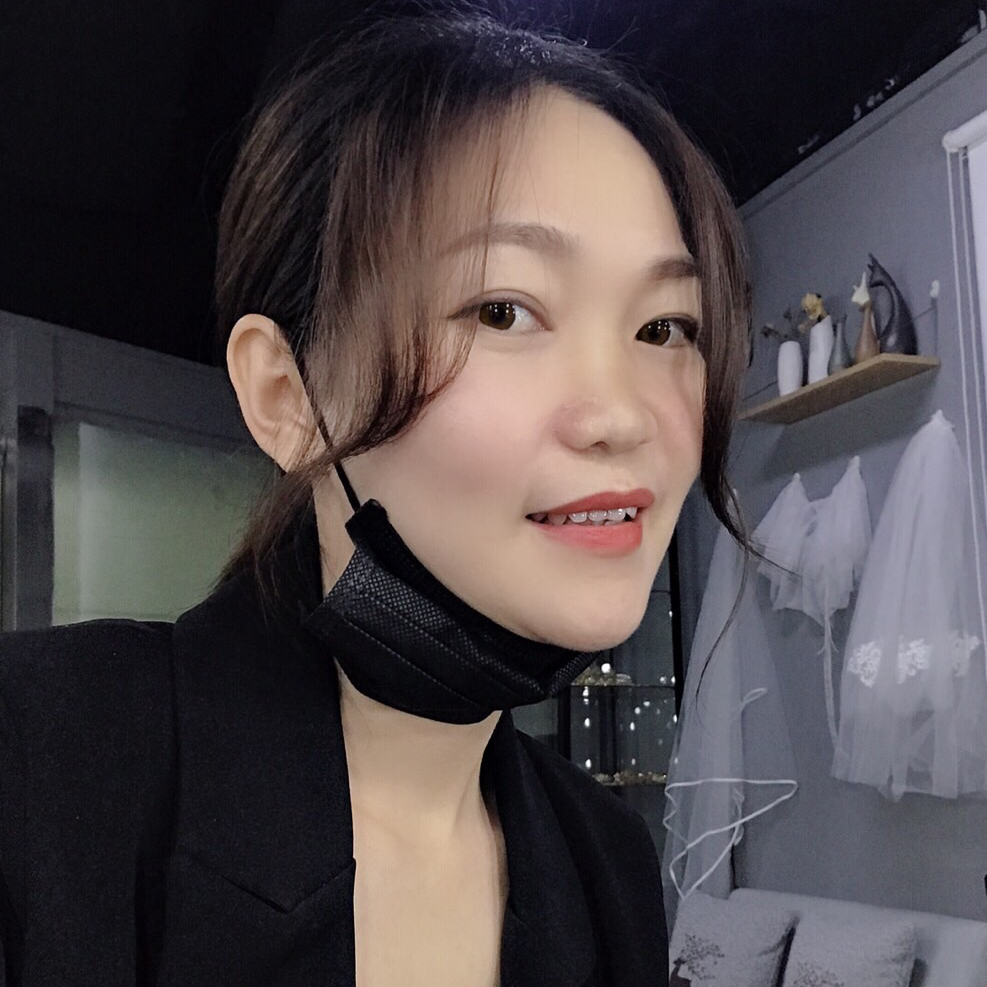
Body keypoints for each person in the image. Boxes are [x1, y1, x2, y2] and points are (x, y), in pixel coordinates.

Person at [0, 11, 750, 986]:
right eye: (504, 310)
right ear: (288, 396)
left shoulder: (607, 859)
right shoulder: (37, 760)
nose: (622, 416)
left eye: (665, 327)